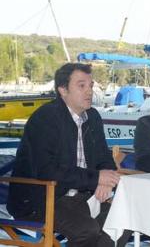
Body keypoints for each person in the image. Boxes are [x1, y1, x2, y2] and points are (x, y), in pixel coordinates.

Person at [7, 63, 128, 247]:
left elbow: (104, 158)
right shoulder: (45, 119)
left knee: (123, 219)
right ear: (63, 90)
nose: (89, 91)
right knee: (87, 230)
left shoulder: (93, 117)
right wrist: (96, 178)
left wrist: (104, 180)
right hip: (42, 198)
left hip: (82, 196)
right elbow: (48, 171)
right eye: (81, 85)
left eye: (91, 85)